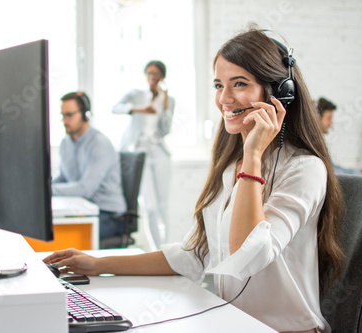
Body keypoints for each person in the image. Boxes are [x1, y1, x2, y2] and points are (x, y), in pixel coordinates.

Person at [45, 28, 345, 333]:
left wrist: (253, 153)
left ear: (280, 93)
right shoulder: (231, 167)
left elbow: (249, 257)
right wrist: (98, 265)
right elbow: (194, 254)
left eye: (239, 84)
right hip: (235, 323)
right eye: (218, 85)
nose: (224, 99)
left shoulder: (304, 169)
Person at [112, 60, 176, 248]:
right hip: (139, 152)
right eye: (148, 73)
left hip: (159, 152)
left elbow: (165, 130)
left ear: (162, 77)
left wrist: (164, 106)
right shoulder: (136, 95)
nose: (151, 77)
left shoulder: (168, 99)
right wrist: (138, 109)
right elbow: (115, 108)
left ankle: (167, 248)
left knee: (164, 205)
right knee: (150, 207)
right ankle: (157, 249)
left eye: (155, 74)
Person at [52, 91, 127, 243]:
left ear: (85, 114)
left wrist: (47, 190)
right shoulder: (66, 142)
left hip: (109, 215)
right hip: (84, 210)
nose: (65, 121)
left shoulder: (99, 143)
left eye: (69, 115)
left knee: (59, 236)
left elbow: (85, 189)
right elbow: (64, 177)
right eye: (63, 115)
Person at [316, 97, 362, 177]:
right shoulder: (315, 144)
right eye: (329, 118)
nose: (331, 123)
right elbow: (335, 173)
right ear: (317, 119)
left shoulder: (318, 141)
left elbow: (334, 168)